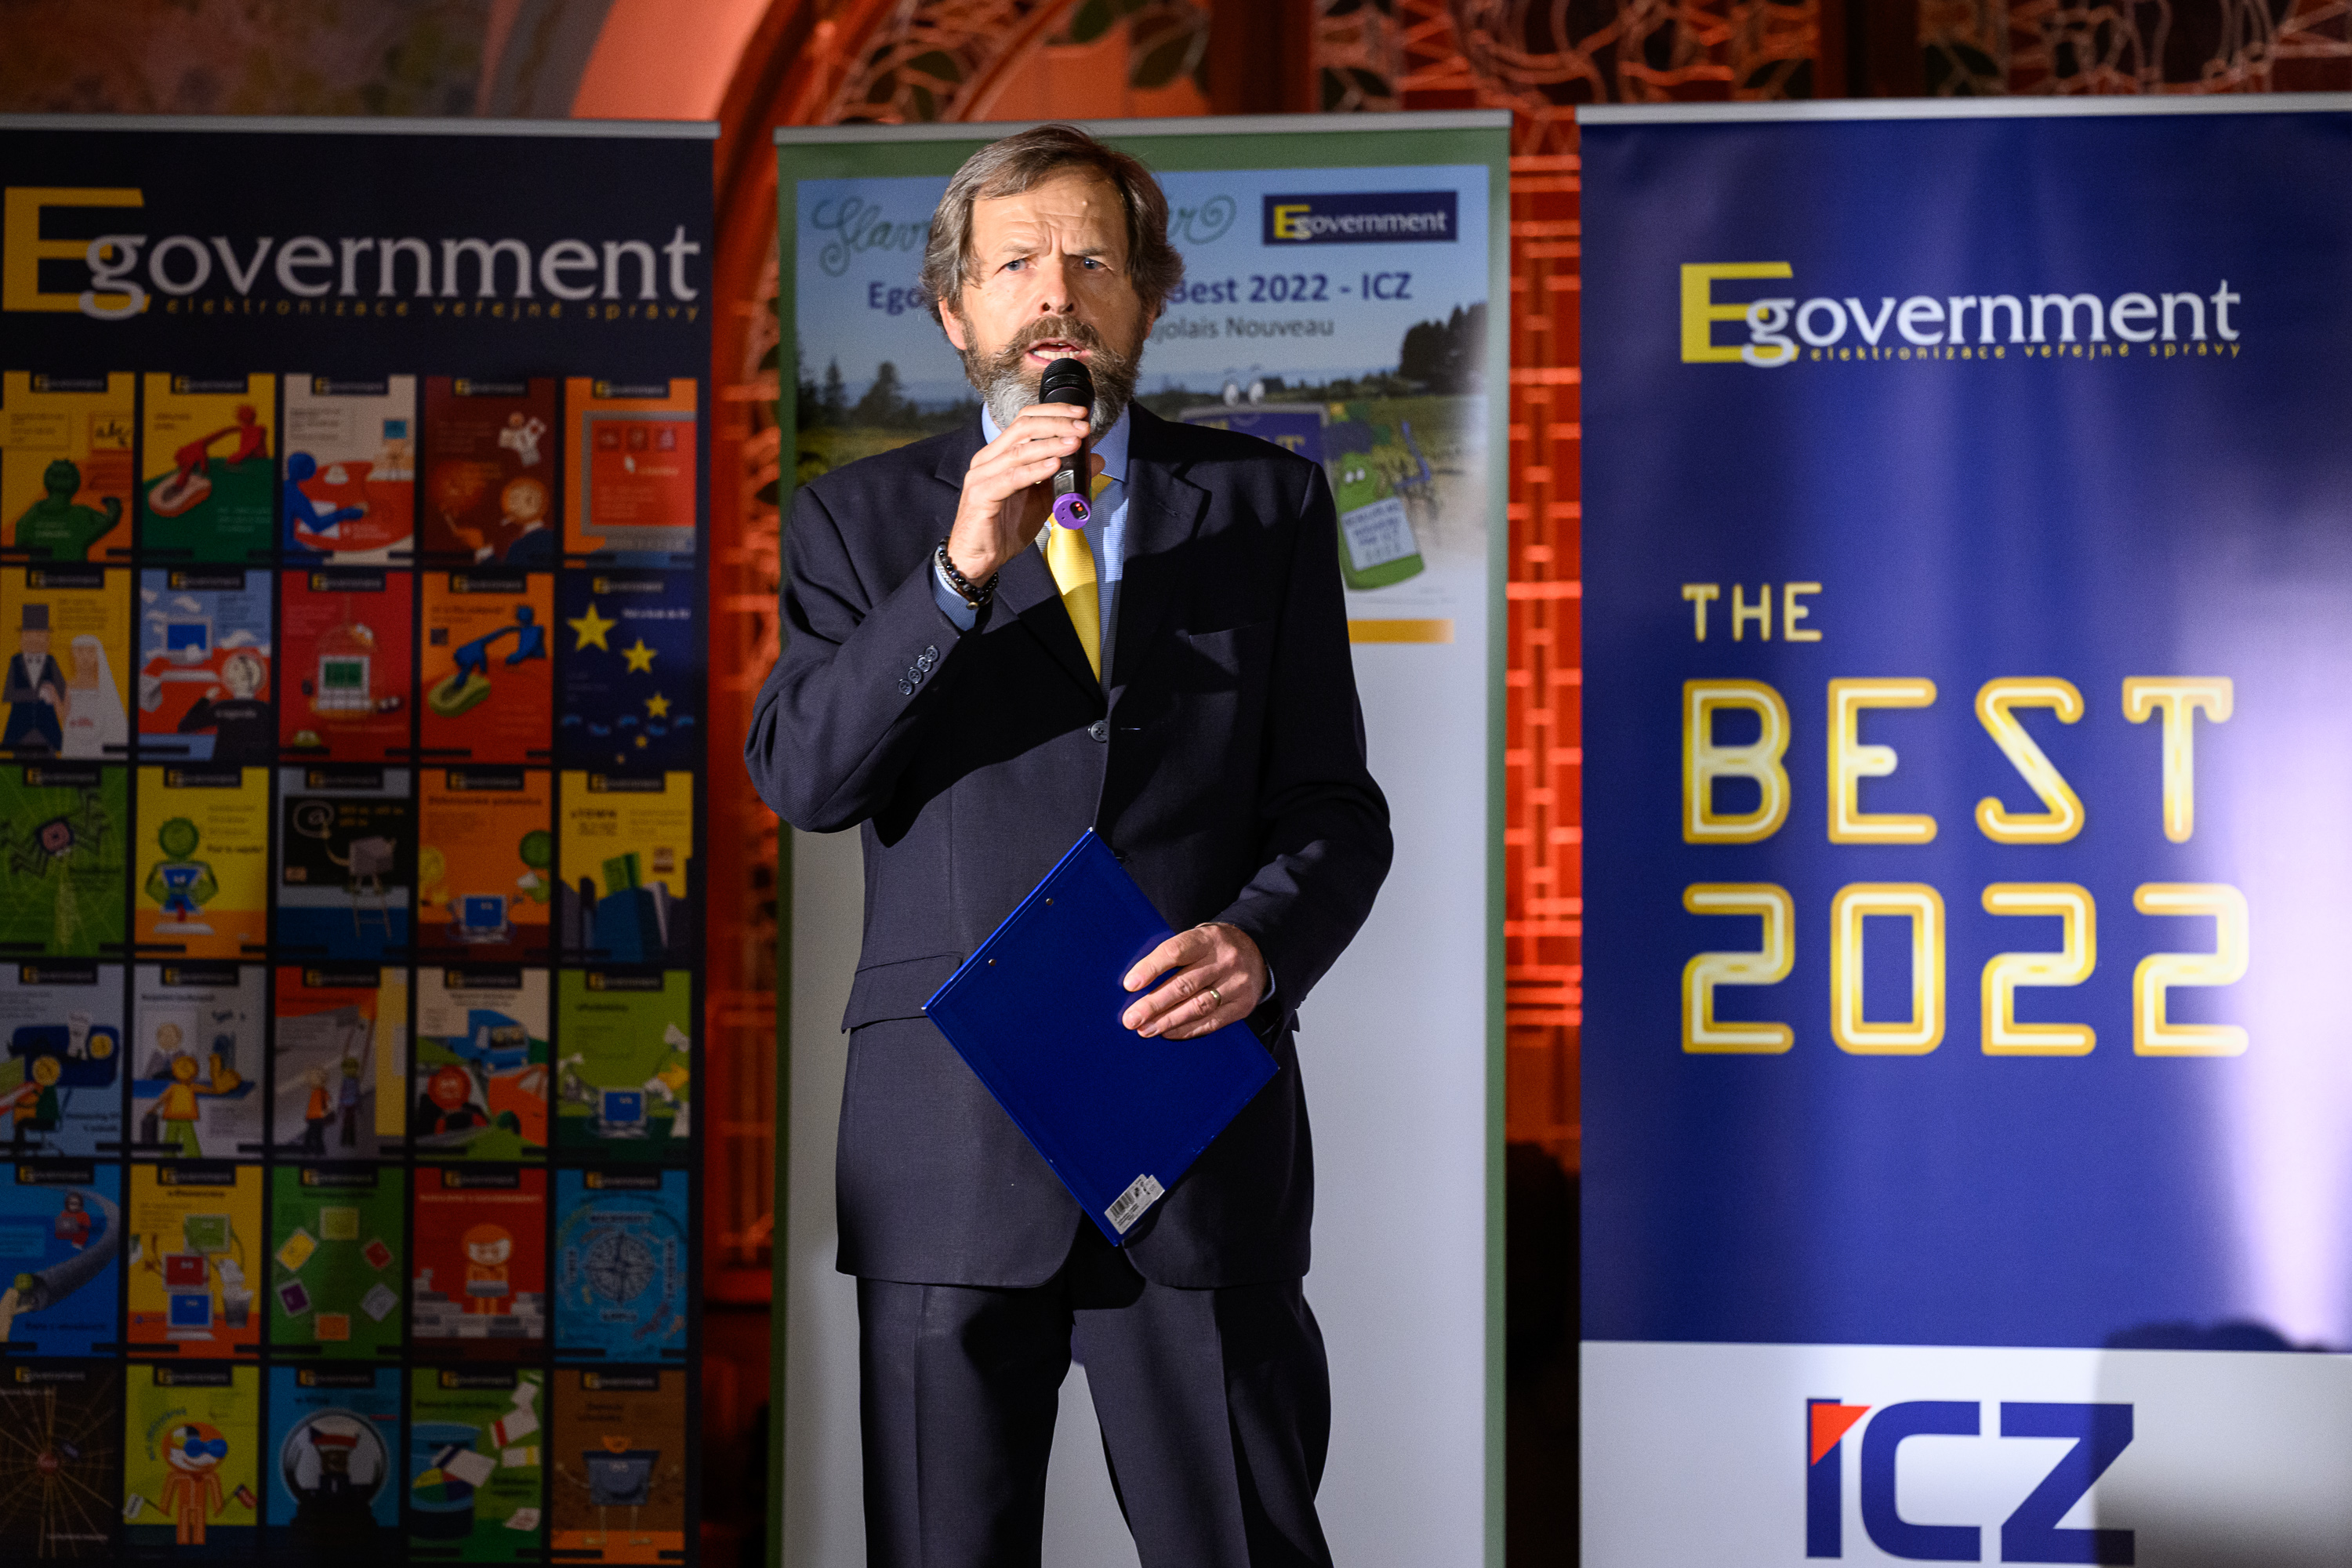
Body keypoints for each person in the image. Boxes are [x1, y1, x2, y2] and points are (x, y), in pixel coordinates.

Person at [744, 123, 1390, 1568]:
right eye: (1017, 262)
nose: (1056, 290)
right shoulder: (856, 522)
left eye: (1094, 259)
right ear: (954, 310)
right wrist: (958, 570)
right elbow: (807, 777)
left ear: (1146, 299)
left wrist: (1262, 945)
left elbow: (1336, 811)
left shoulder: (1265, 506)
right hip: (948, 1146)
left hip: (1190, 1123)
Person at [2, 601, 67, 753]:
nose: (34, 640)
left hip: (48, 732)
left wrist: (54, 695)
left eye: (39, 635)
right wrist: (37, 694)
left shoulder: (51, 662)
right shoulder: (15, 661)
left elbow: (64, 692)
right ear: (21, 639)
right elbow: (8, 695)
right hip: (20, 732)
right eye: (29, 635)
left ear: (48, 639)